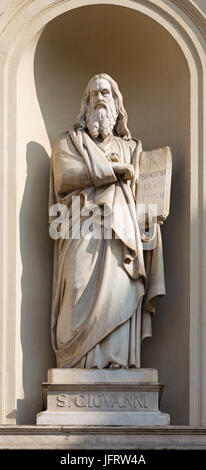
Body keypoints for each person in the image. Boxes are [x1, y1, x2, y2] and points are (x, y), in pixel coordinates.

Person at [49, 73, 165, 369]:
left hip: (121, 235)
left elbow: (143, 199)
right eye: (94, 93)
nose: (100, 98)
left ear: (117, 104)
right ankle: (75, 366)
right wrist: (113, 172)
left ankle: (116, 361)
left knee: (120, 290)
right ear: (85, 104)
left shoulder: (132, 148)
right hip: (81, 230)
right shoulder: (68, 142)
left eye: (107, 93)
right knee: (75, 287)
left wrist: (153, 213)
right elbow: (65, 179)